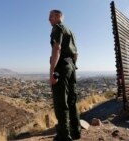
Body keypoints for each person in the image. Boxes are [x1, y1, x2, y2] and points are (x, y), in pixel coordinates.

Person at [49, 10, 81, 141]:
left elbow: (57, 48)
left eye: (50, 16)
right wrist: (71, 66)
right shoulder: (70, 31)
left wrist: (52, 71)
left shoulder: (58, 28)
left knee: (61, 101)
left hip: (62, 66)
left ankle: (63, 135)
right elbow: (76, 54)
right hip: (71, 67)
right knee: (72, 100)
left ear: (58, 16)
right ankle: (76, 132)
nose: (49, 20)